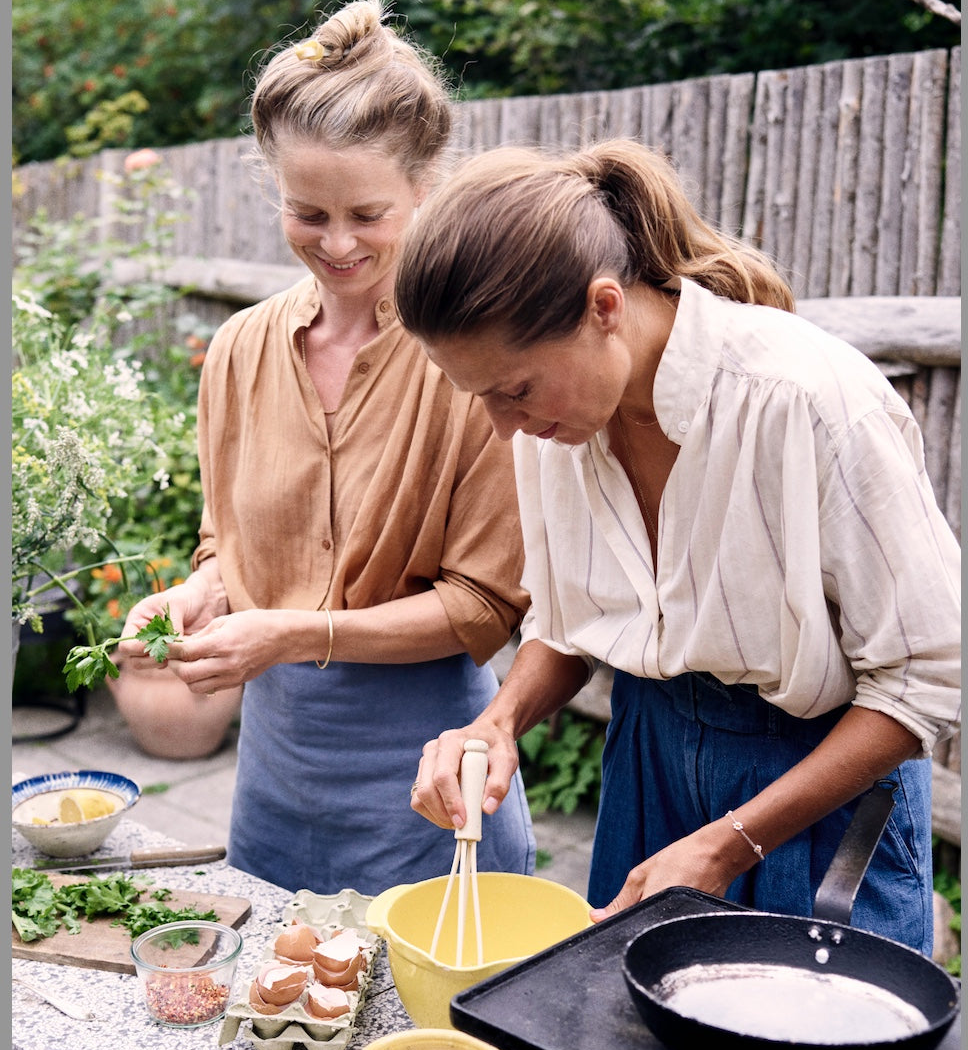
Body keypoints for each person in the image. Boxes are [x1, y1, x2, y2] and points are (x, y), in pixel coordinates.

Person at [395, 139, 960, 954]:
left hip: (818, 789)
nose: (503, 426)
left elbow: (924, 681)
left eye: (514, 389)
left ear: (604, 307)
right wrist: (499, 721)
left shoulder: (809, 402)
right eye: (480, 397)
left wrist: (732, 842)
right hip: (647, 767)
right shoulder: (552, 430)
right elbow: (569, 621)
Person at [116, 0, 535, 895]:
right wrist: (196, 595)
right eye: (308, 214)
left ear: (425, 189)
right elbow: (227, 540)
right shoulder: (239, 350)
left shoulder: (471, 360)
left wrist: (294, 634)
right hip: (275, 773)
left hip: (430, 775)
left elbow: (481, 610)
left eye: (367, 214)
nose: (337, 243)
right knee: (274, 1015)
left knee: (431, 1024)